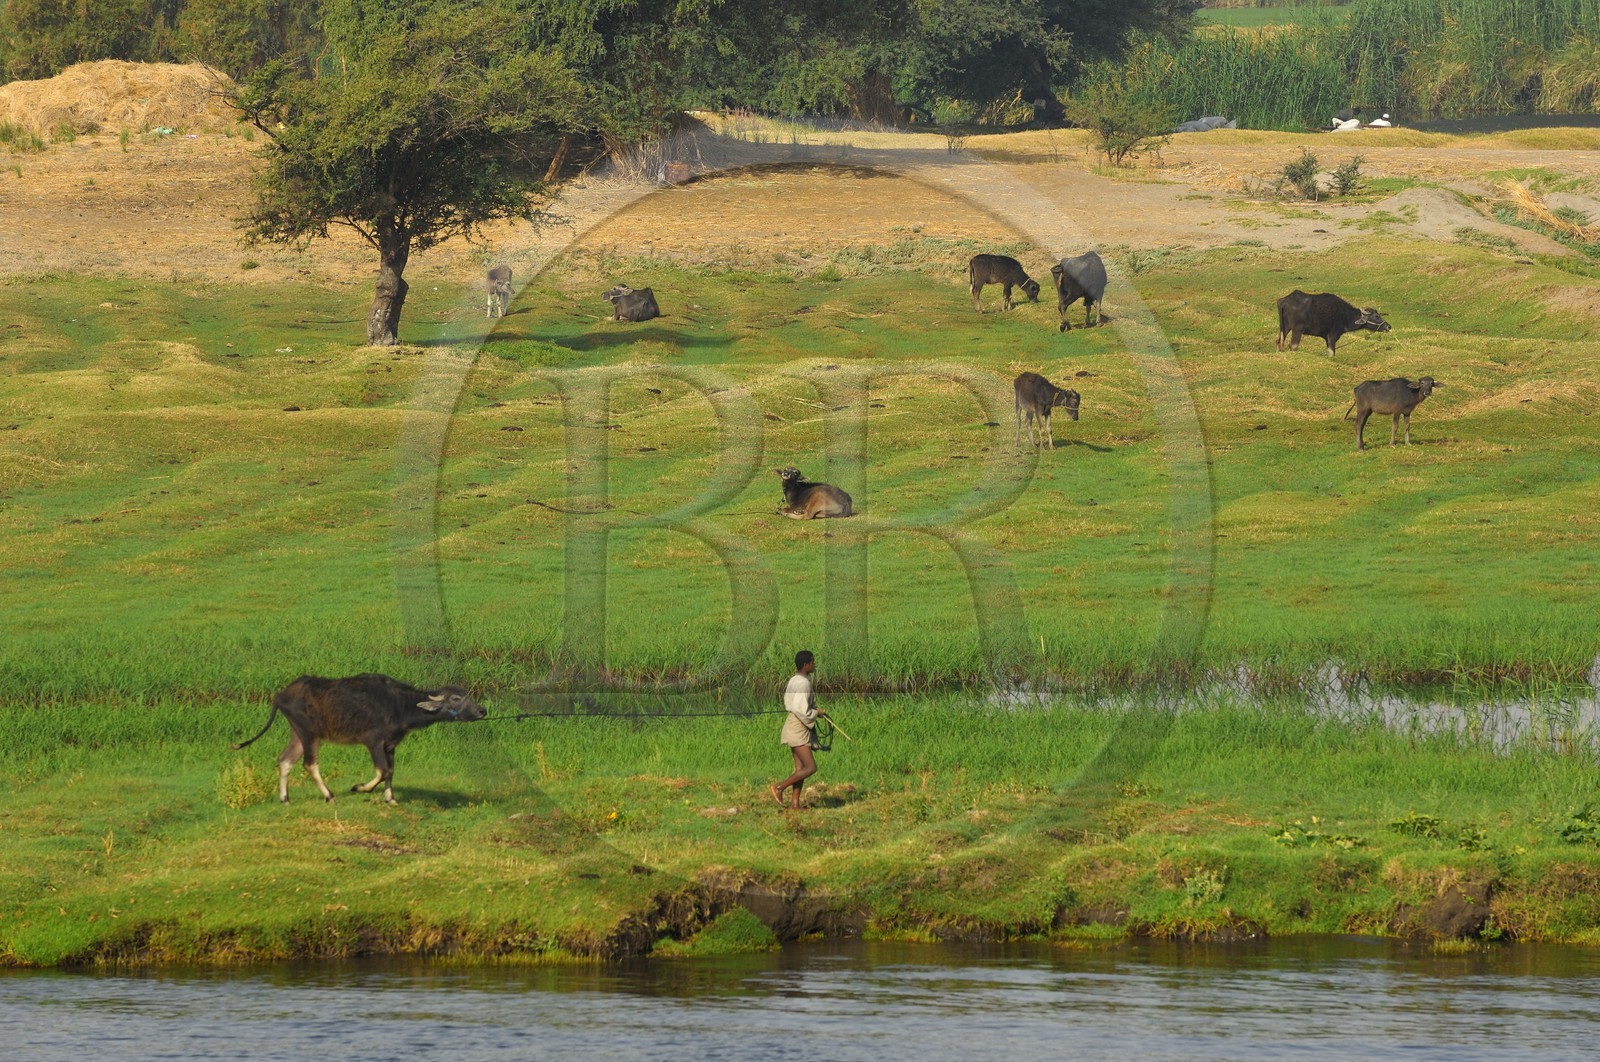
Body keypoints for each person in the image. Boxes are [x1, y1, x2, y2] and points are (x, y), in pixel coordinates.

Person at [772, 649, 826, 809]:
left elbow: (796, 704)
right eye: (812, 662)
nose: (814, 664)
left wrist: (814, 709)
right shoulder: (804, 683)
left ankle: (795, 805)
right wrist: (817, 713)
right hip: (798, 728)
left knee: (800, 769)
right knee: (810, 767)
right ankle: (779, 787)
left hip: (793, 725)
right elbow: (802, 710)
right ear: (806, 664)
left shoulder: (794, 680)